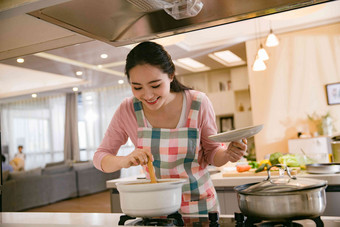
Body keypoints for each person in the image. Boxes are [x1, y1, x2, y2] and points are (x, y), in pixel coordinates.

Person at [93, 41, 247, 214]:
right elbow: (100, 158)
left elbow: (212, 154)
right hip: (158, 209)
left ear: (171, 75)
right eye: (137, 87)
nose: (148, 95)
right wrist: (124, 160)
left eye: (155, 85)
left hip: (200, 207)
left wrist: (227, 154)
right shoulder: (127, 109)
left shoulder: (197, 103)